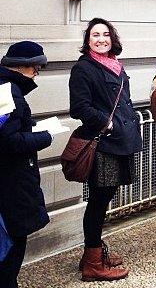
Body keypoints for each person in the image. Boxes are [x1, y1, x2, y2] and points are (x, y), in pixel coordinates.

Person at [68, 18, 142, 281]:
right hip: (103, 144)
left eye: (106, 34)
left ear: (113, 39)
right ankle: (93, 263)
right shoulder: (84, 69)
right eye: (95, 34)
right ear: (87, 40)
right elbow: (79, 107)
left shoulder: (115, 65)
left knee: (104, 200)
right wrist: (107, 123)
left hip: (120, 141)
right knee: (98, 203)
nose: (101, 39)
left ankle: (94, 252)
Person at [0, 42, 52, 288]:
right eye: (36, 68)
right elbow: (8, 142)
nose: (37, 73)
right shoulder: (8, 91)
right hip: (11, 181)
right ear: (22, 66)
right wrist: (45, 136)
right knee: (13, 244)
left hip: (9, 180)